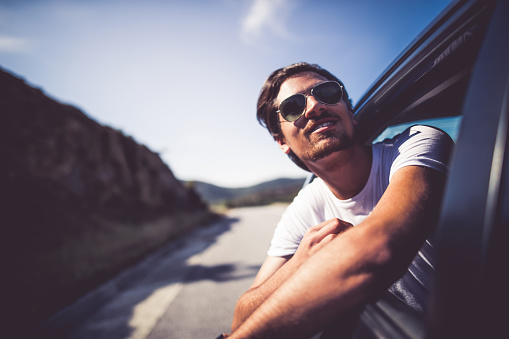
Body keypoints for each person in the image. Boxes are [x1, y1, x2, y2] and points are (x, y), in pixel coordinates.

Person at [226, 62, 454, 338]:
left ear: (350, 113)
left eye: (328, 93)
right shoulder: (305, 205)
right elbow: (241, 316)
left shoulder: (415, 146)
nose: (314, 107)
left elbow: (378, 248)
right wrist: (300, 263)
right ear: (281, 140)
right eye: (293, 107)